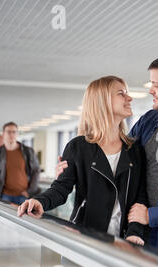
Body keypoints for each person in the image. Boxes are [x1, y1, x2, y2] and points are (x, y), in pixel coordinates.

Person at [56, 56, 158, 264]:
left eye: (156, 85)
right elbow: (118, 163)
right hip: (135, 236)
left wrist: (151, 216)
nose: (150, 90)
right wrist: (72, 171)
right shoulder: (147, 121)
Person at [17, 76, 148, 245]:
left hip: (122, 245)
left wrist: (134, 232)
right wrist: (40, 202)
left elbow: (140, 198)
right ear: (102, 101)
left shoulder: (134, 150)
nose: (129, 98)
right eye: (121, 93)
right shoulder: (78, 147)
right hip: (84, 241)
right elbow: (61, 189)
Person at [0, 122, 40, 205]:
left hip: (24, 195)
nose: (11, 134)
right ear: (3, 134)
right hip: (3, 195)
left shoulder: (28, 151)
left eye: (14, 132)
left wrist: (30, 191)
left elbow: (36, 171)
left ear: (17, 134)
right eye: (8, 132)